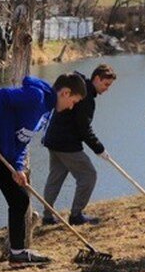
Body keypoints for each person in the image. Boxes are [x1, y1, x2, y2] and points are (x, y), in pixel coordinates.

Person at [0, 73, 86, 272]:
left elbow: (23, 138)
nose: (72, 106)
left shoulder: (47, 110)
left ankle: (17, 253)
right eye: (73, 101)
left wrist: (18, 167)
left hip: (5, 157)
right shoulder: (35, 97)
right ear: (65, 92)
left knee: (19, 200)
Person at [41, 64, 117, 226]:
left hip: (53, 140)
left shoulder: (77, 86)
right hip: (67, 144)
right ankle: (76, 215)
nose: (107, 89)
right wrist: (99, 148)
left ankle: (47, 217)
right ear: (96, 79)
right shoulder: (86, 97)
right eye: (106, 84)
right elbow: (84, 128)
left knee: (55, 177)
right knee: (88, 175)